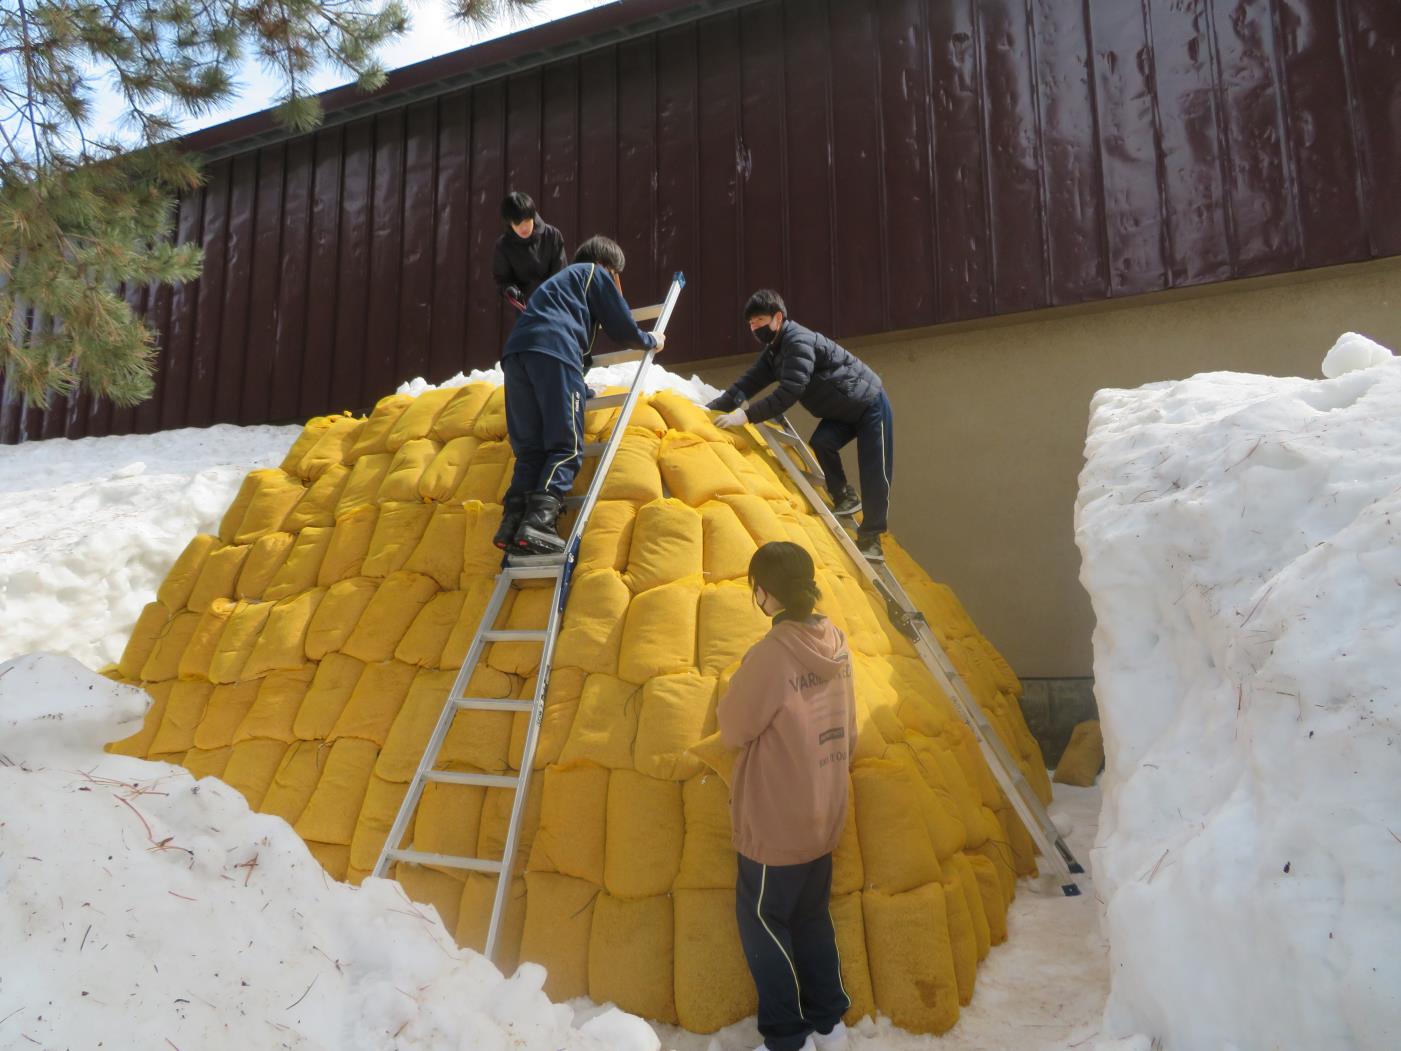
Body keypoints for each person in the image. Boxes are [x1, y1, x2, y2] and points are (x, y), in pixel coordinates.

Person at [717, 541, 856, 1051]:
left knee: (763, 920)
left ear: (763, 591)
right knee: (812, 916)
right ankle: (830, 1026)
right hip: (825, 808)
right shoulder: (836, 641)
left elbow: (734, 728)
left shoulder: (771, 655)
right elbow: (851, 729)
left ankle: (786, 1039)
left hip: (777, 820)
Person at [495, 235, 665, 554]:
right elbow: (621, 325)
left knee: (531, 451)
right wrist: (649, 340)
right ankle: (539, 524)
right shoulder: (593, 273)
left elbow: (575, 359)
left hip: (517, 357)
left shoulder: (559, 288)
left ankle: (512, 524)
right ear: (607, 266)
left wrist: (581, 388)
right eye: (616, 275)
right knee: (567, 445)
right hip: (554, 351)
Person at [707, 290, 893, 562]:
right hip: (842, 411)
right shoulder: (774, 353)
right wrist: (710, 408)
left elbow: (791, 390)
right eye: (751, 324)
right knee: (822, 443)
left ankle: (871, 539)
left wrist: (746, 416)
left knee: (874, 470)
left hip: (869, 403)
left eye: (759, 321)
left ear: (778, 318)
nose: (755, 328)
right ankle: (844, 496)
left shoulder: (798, 341)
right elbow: (747, 383)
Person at [492, 191, 567, 310]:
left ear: (533, 216)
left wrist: (551, 299)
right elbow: (502, 280)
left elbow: (561, 275)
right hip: (526, 308)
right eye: (518, 223)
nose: (524, 227)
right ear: (510, 224)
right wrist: (509, 290)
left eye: (527, 221)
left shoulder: (552, 236)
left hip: (555, 304)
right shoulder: (503, 246)